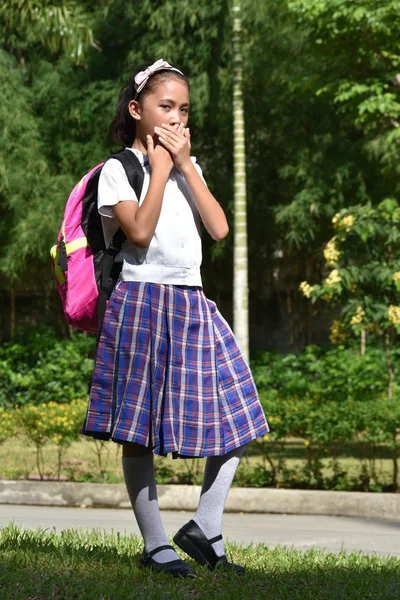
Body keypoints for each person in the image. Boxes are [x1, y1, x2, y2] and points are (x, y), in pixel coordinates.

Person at [82, 58, 269, 578]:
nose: (177, 118)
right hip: (141, 303)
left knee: (239, 416)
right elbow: (138, 234)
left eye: (184, 110)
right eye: (166, 107)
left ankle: (205, 528)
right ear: (138, 110)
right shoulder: (118, 170)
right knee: (138, 430)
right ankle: (156, 543)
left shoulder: (190, 165)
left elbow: (219, 228)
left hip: (190, 301)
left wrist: (185, 165)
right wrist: (162, 168)